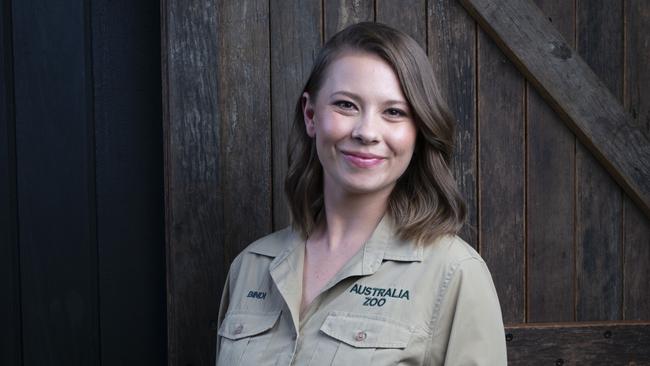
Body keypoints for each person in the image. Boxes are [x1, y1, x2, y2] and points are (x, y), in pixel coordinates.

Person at [215, 22, 507, 365]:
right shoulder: (250, 266)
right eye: (346, 105)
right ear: (311, 115)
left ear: (419, 129)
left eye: (394, 112)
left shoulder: (455, 273)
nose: (367, 132)